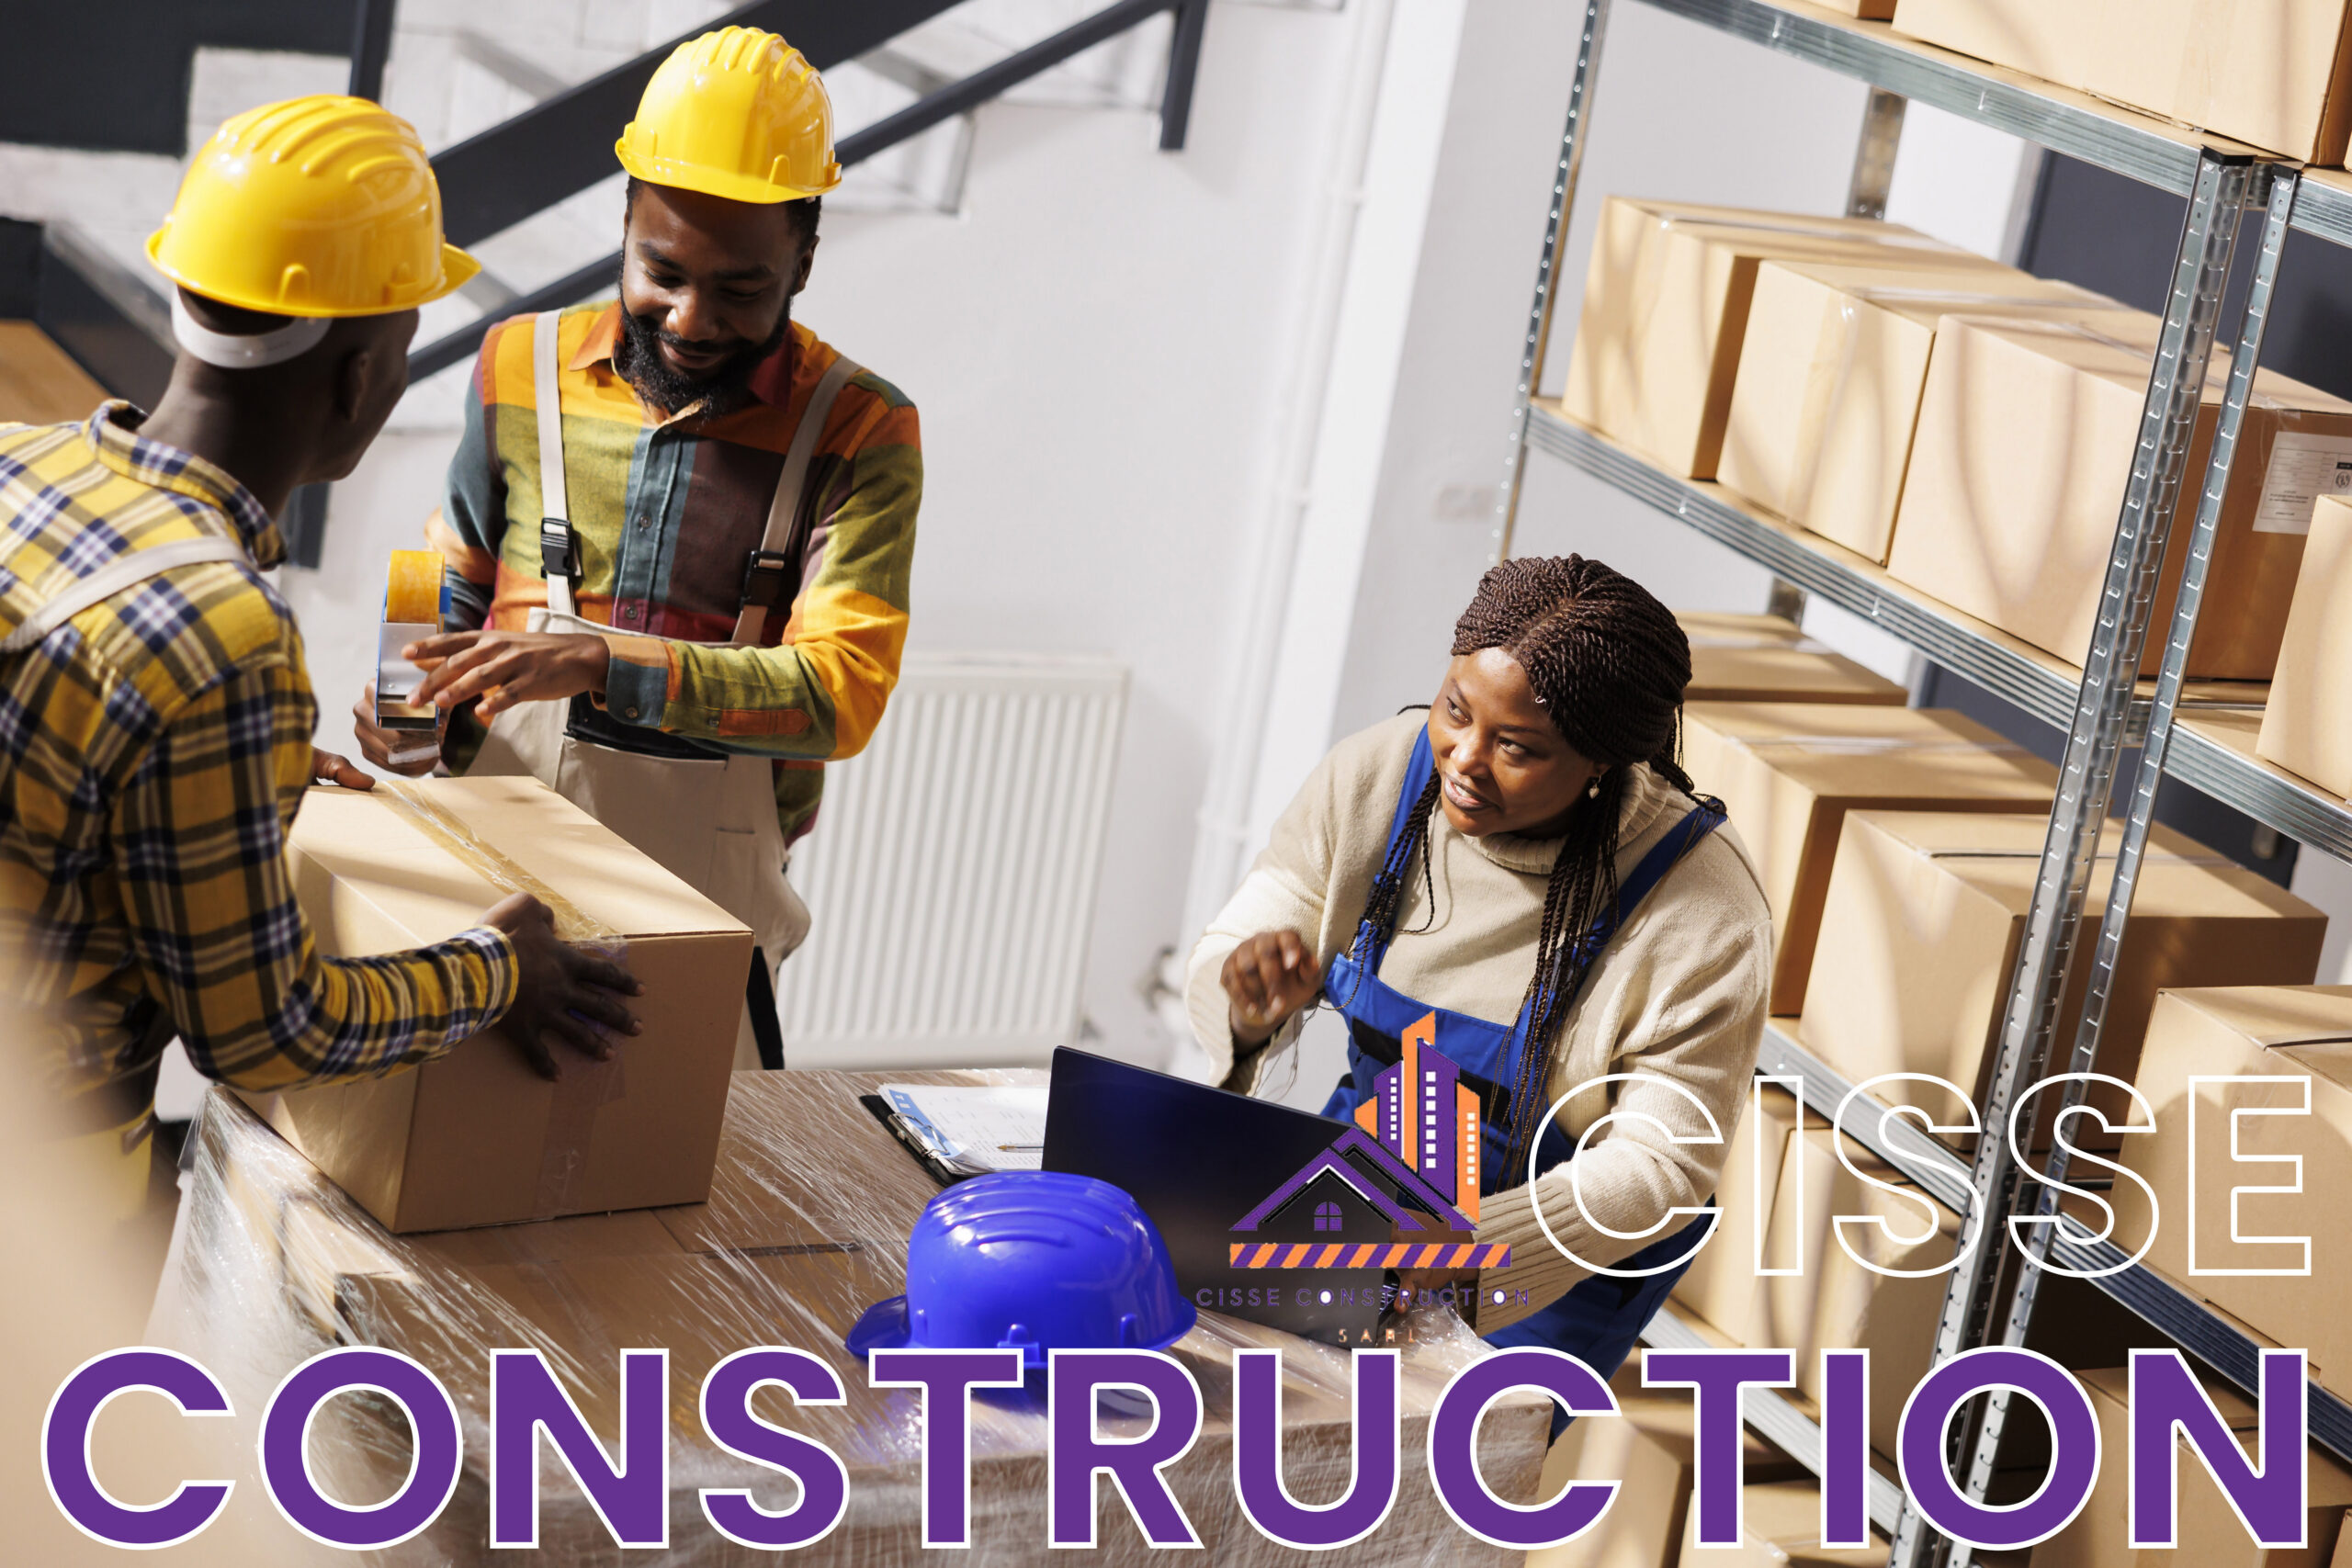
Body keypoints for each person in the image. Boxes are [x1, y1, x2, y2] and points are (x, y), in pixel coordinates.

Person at [0, 96, 639, 1224]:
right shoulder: (227, 637)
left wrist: (237, 765)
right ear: (359, 380)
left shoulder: (19, 464)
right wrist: (501, 971)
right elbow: (262, 1033)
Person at [352, 26, 922, 1072]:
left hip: (702, 899)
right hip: (487, 873)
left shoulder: (858, 430)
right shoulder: (516, 361)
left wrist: (601, 662)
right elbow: (443, 569)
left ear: (804, 255)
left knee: (648, 1208)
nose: (691, 319)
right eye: (660, 271)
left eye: (742, 289)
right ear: (622, 221)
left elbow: (843, 694)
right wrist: (399, 705)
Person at [1188, 555, 1770, 1400]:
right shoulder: (1384, 781)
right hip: (1367, 1171)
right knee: (1253, 1421)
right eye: (1454, 709)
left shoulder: (1700, 904)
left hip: (1554, 1242)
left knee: (1432, 1478)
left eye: (1519, 748)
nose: (1465, 757)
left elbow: (1661, 1166)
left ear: (1601, 762)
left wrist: (1472, 1246)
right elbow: (1264, 910)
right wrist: (1245, 999)